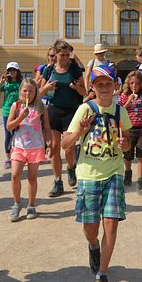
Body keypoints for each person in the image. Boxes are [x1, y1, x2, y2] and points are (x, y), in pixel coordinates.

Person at [61, 64, 132, 282]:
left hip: (114, 172)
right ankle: (93, 245)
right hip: (89, 173)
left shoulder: (121, 111)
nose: (104, 88)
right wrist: (81, 131)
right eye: (99, 84)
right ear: (92, 87)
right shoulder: (85, 110)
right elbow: (65, 143)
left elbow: (128, 144)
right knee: (90, 227)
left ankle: (102, 271)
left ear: (115, 86)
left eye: (108, 84)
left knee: (111, 223)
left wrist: (125, 144)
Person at [40, 40, 87, 197]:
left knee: (68, 147)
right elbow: (39, 92)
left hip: (71, 111)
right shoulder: (48, 70)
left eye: (68, 55)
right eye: (62, 55)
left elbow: (84, 92)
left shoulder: (74, 70)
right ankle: (58, 181)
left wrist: (76, 87)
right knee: (54, 147)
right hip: (54, 110)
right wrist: (47, 88)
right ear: (56, 54)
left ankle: (71, 167)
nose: (66, 58)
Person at [6, 79, 52, 221]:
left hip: (36, 146)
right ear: (20, 91)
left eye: (31, 90)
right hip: (19, 146)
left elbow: (47, 127)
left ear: (36, 92)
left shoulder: (41, 107)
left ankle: (31, 205)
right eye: (25, 90)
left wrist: (49, 143)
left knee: (32, 177)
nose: (28, 93)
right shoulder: (17, 106)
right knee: (15, 175)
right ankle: (17, 203)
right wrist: (21, 117)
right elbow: (9, 126)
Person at [118, 71, 142, 194]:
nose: (134, 85)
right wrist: (128, 102)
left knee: (141, 154)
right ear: (128, 84)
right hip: (129, 128)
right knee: (128, 154)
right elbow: (119, 111)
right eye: (131, 83)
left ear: (141, 84)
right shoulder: (124, 95)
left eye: (136, 83)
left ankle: (140, 181)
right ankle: (128, 172)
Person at [0, 62, 22, 169]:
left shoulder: (21, 83)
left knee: (19, 134)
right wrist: (0, 82)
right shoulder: (6, 84)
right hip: (7, 111)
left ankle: (19, 155)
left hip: (19, 111)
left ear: (17, 71)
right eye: (9, 70)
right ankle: (8, 158)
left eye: (13, 70)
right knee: (8, 134)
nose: (11, 72)